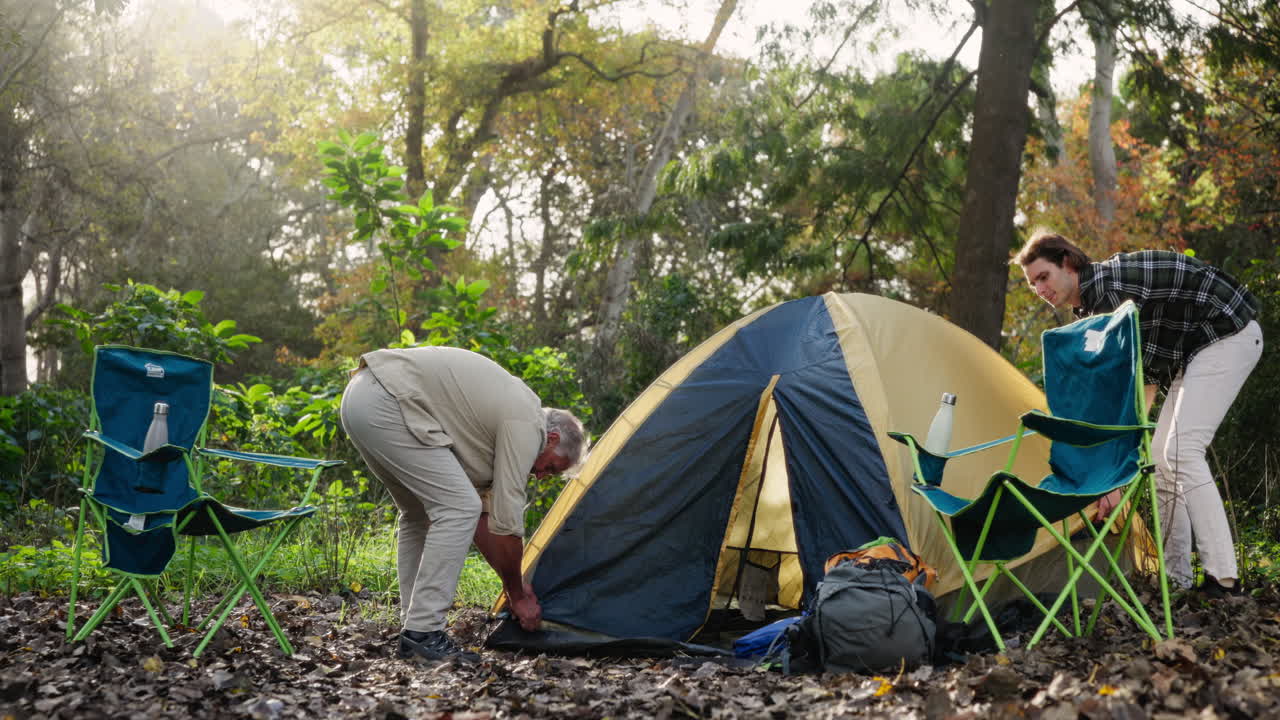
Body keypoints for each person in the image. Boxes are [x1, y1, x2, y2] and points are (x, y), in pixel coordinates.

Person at [1012, 230, 1263, 597]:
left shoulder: (1110, 290)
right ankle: (1176, 580)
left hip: (1228, 333)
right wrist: (1117, 474)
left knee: (1181, 451)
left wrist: (1113, 479)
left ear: (1068, 262)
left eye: (1043, 276)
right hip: (1190, 355)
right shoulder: (1092, 310)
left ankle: (1224, 579)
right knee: (1161, 458)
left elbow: (1119, 391)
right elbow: (1138, 389)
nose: (1039, 288)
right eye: (1033, 283)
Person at [339, 346, 588, 661]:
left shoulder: (492, 430)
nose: (541, 476)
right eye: (551, 467)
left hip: (361, 397)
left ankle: (414, 627)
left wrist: (514, 587)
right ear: (551, 439)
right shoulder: (529, 425)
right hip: (387, 399)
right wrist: (517, 594)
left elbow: (484, 523)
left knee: (419, 514)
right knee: (457, 507)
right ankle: (424, 632)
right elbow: (507, 520)